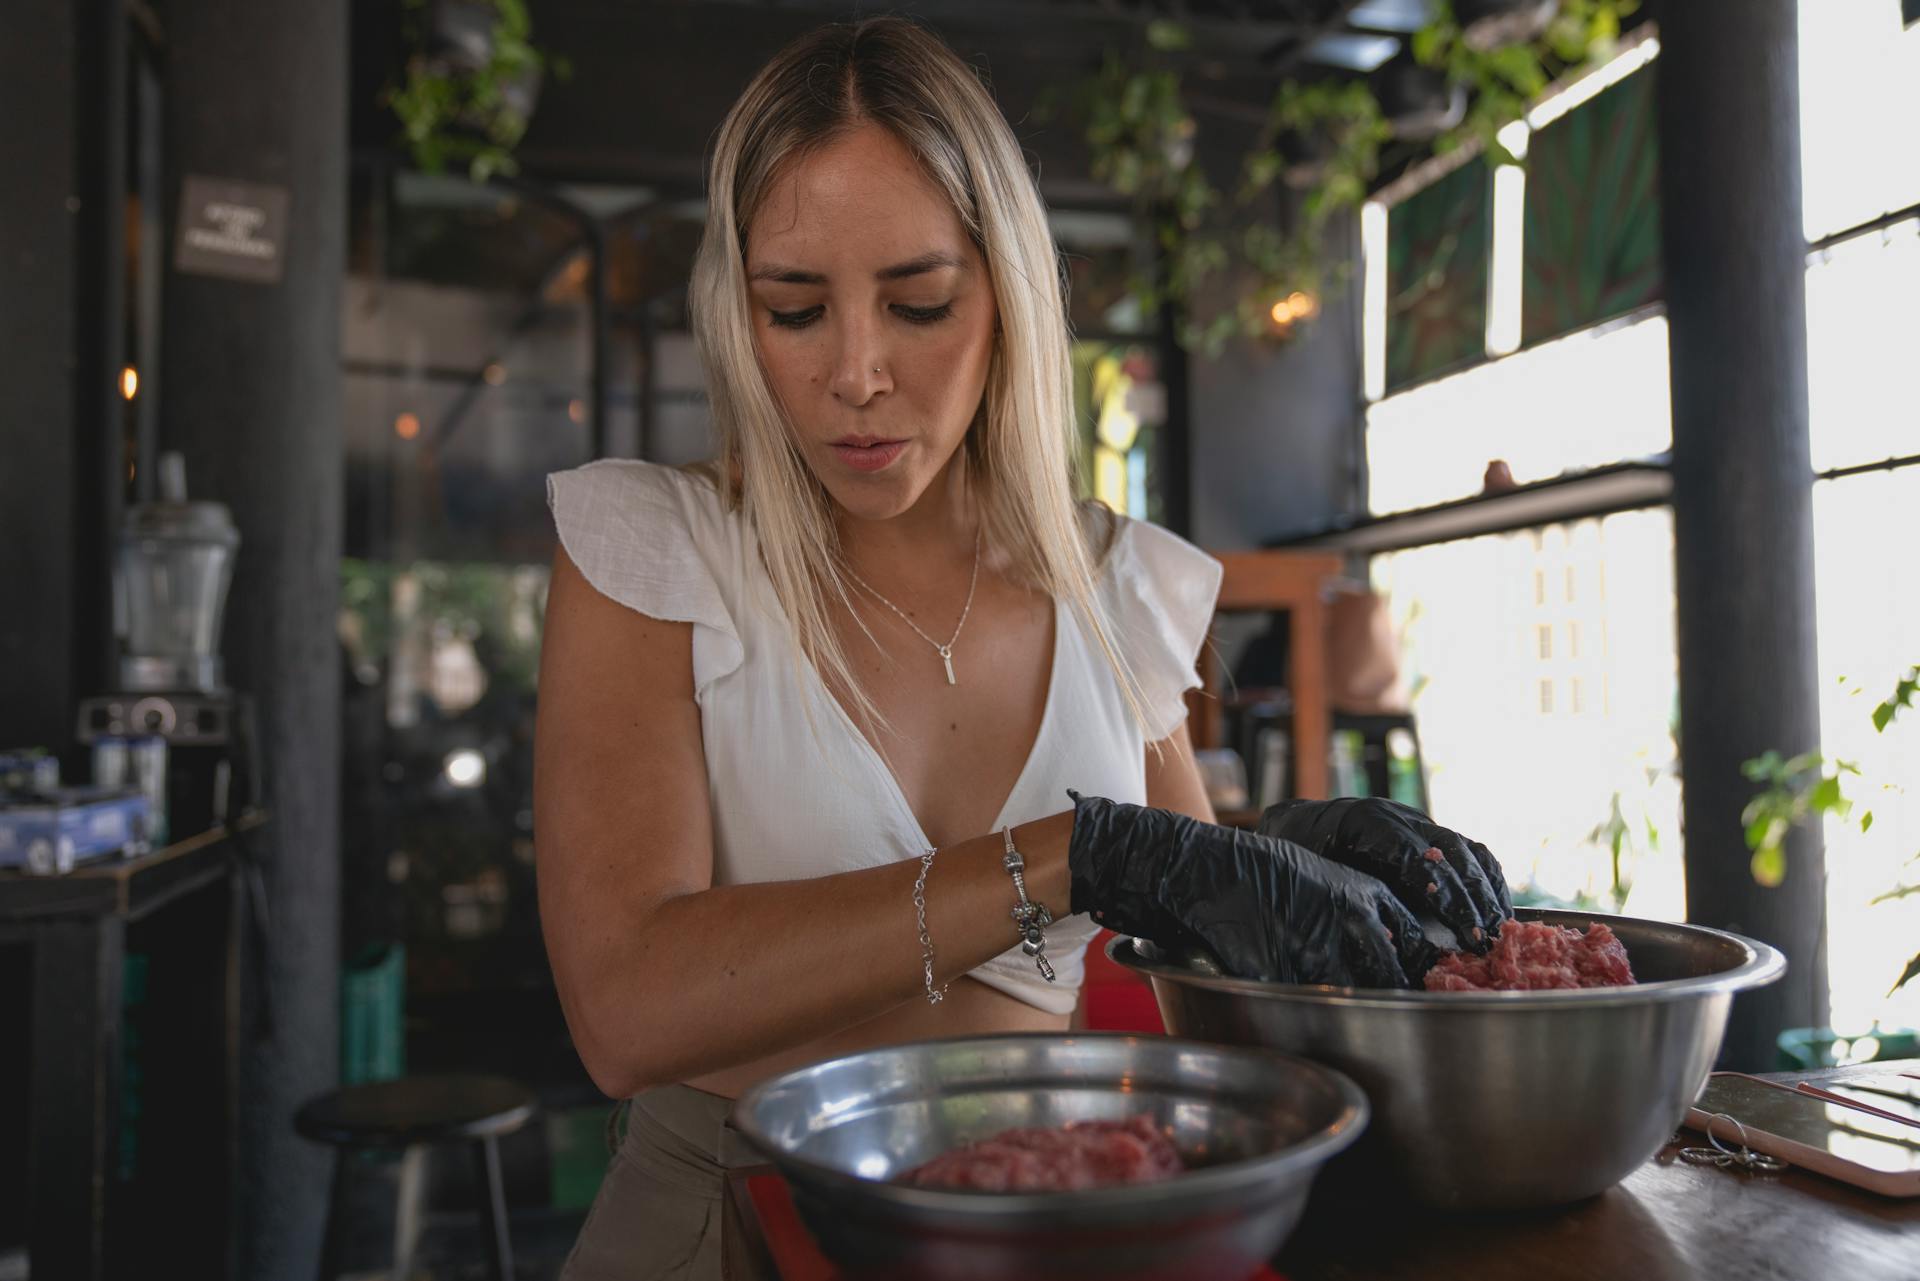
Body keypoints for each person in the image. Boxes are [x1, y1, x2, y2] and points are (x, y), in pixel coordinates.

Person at [535, 17, 1509, 1280]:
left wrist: (1283, 859)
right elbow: (625, 1007)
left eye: (920, 302)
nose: (857, 372)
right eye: (794, 310)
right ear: (738, 314)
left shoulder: (1121, 588)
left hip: (1051, 1213)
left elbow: (1190, 961)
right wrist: (1073, 855)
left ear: (1008, 295)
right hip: (728, 1212)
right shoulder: (653, 553)